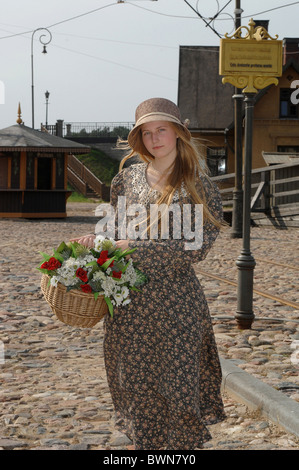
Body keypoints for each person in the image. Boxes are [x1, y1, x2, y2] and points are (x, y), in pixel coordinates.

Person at [72, 97, 226, 450]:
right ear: (139, 138)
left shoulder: (200, 187)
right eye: (147, 132)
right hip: (129, 306)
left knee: (179, 391)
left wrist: (133, 248)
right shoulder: (124, 180)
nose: (155, 138)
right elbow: (115, 229)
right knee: (137, 388)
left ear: (177, 134)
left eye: (162, 130)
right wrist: (96, 242)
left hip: (176, 306)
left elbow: (195, 249)